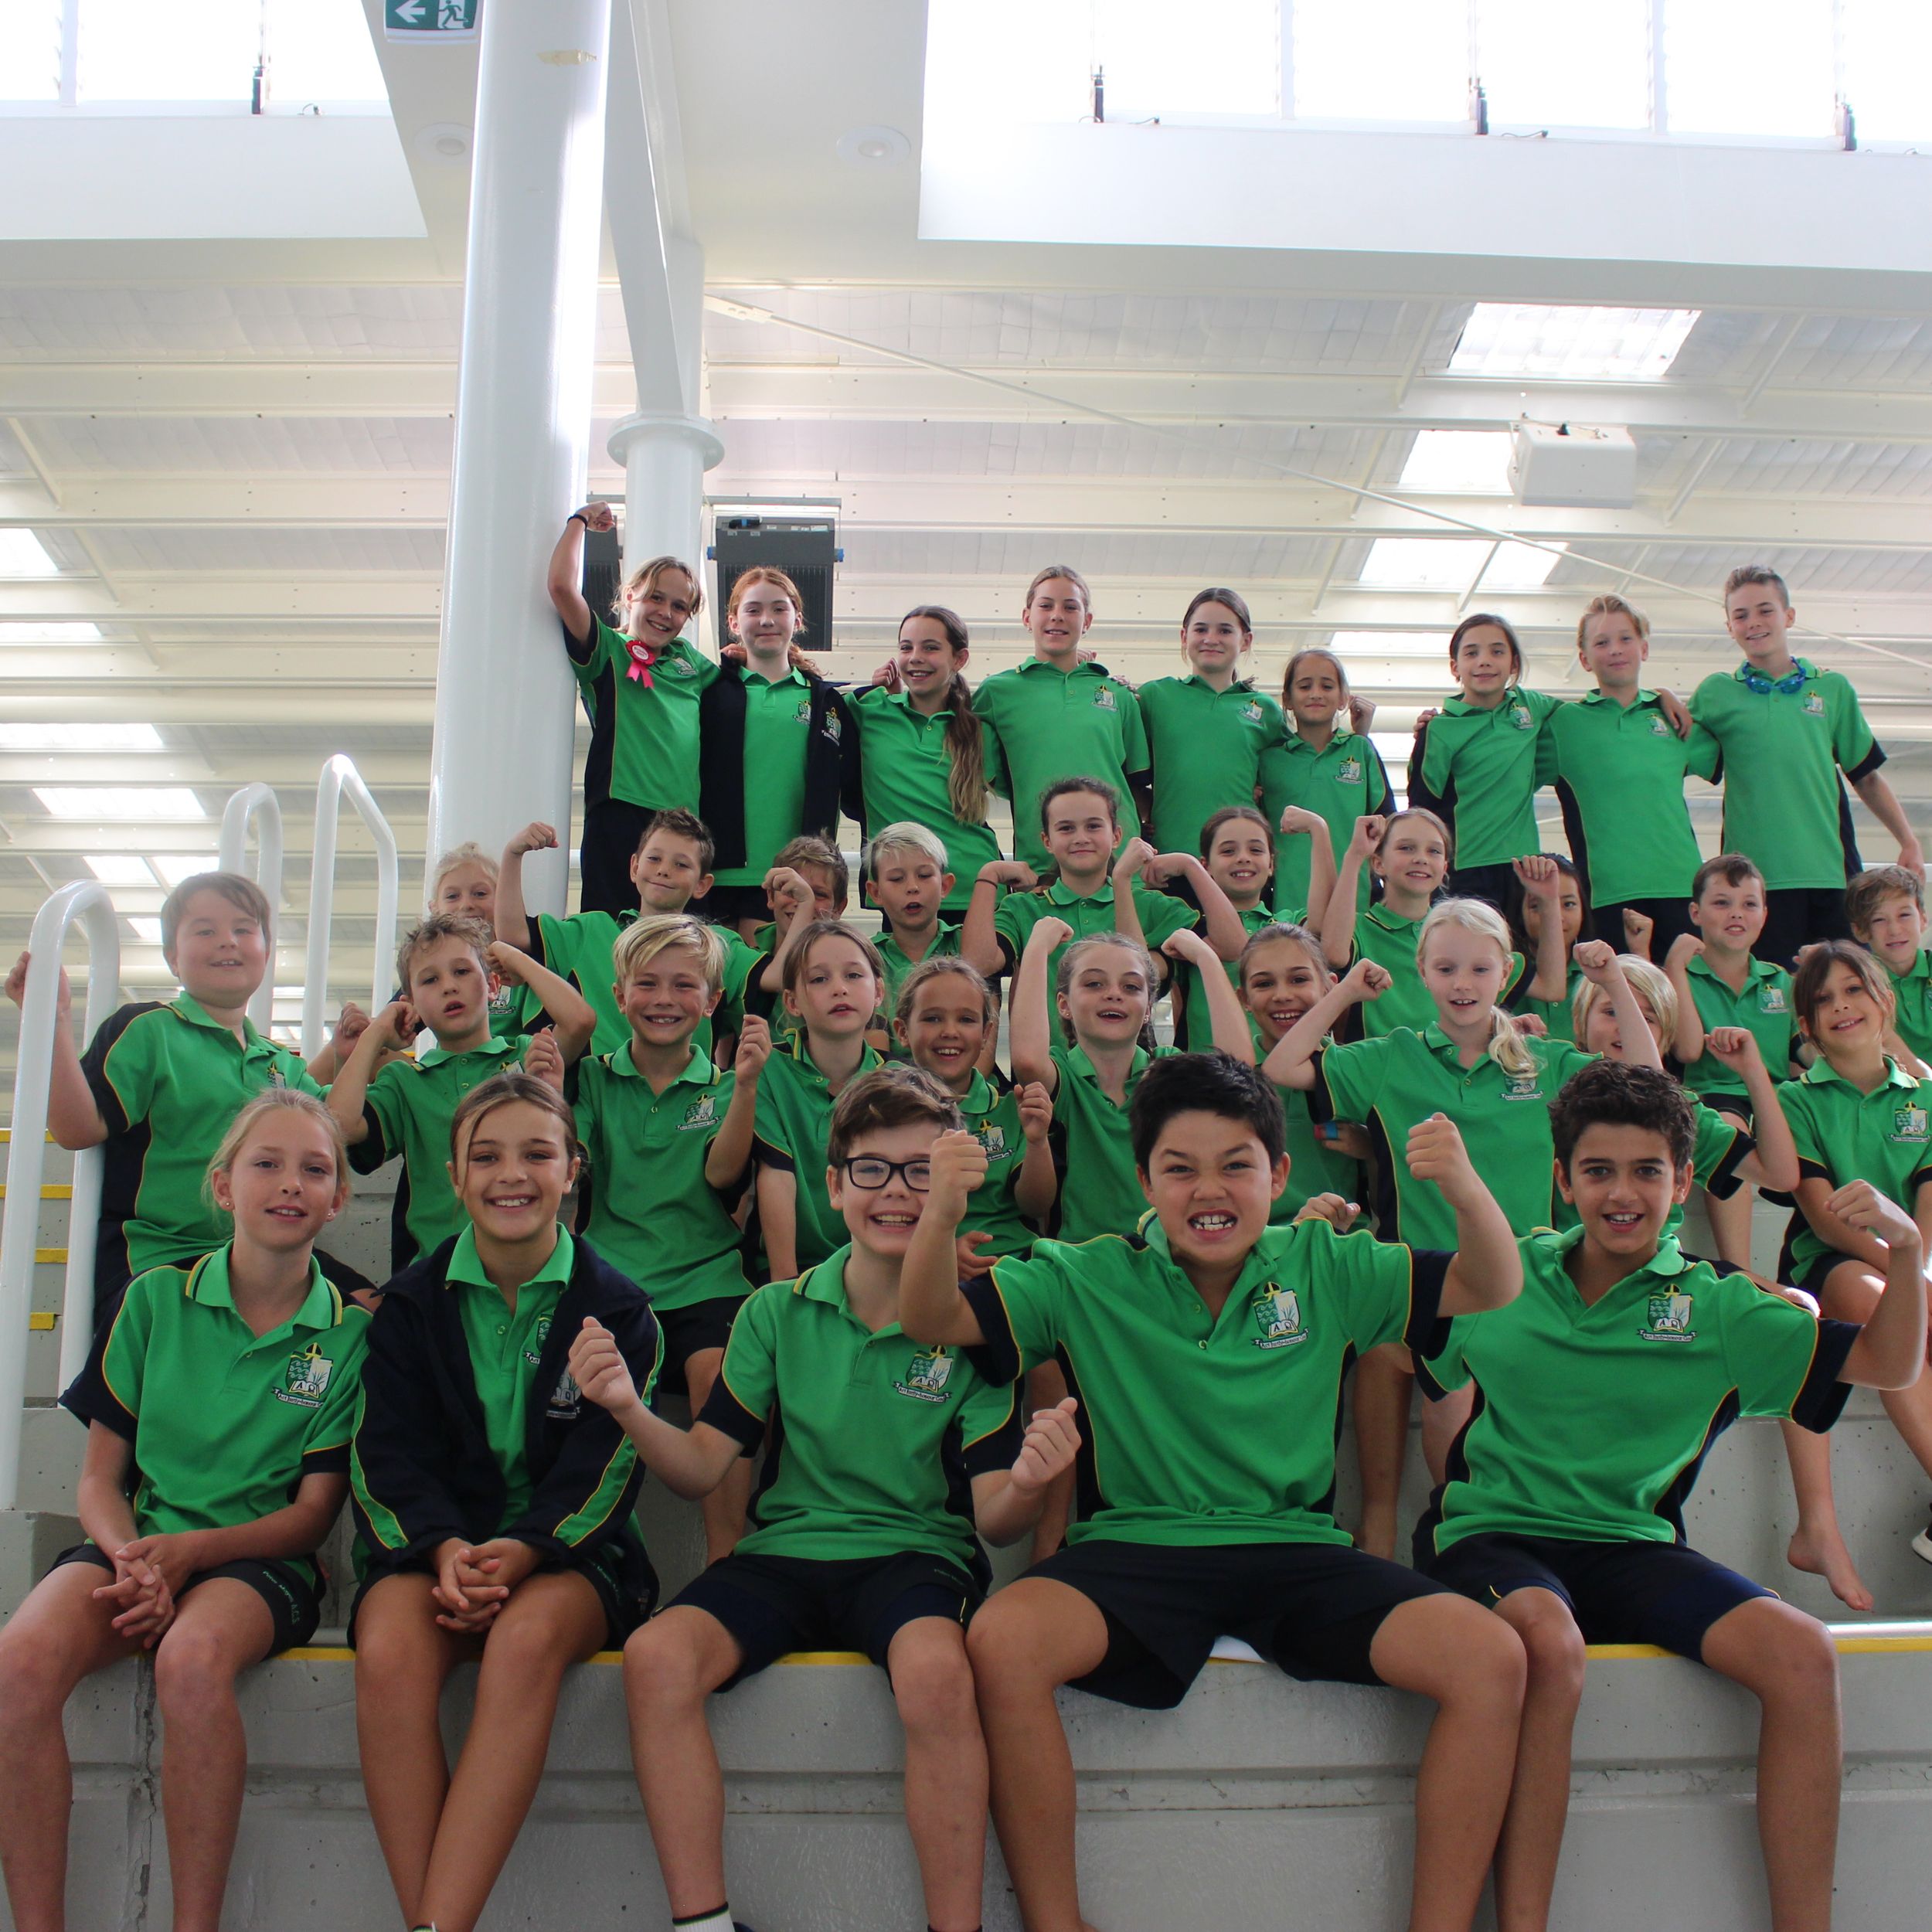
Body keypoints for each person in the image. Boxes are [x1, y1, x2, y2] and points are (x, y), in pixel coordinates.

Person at [898, 1052, 1530, 1932]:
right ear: (1142, 1180)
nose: (1209, 1190)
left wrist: (1462, 1186)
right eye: (1179, 1168)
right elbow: (929, 1317)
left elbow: (1492, 1282)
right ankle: (1056, 1922)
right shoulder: (1082, 1273)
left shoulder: (1325, 1262)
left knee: (1491, 1658)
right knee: (1002, 1642)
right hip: (1136, 1550)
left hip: (1296, 1552)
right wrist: (940, 1213)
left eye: (1236, 1164)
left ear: (1278, 1172)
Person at [1415, 1059, 1927, 1932]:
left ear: (1683, 1182)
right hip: (1491, 1536)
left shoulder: (1720, 1307)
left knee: (1804, 1654)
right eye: (1598, 1171)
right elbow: (1385, 1329)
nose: (1622, 1193)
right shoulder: (1504, 1275)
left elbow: (1888, 1363)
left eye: (1647, 1171)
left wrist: (1907, 1251)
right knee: (1547, 1640)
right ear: (1562, 1179)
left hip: (1631, 1546)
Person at [567, 1064, 1079, 1932]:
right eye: (872, 1169)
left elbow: (997, 1519)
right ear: (835, 1186)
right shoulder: (774, 1311)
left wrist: (1030, 1481)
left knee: (938, 1674)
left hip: (915, 1559)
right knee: (654, 1658)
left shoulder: (975, 1332)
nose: (897, 1191)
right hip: (784, 1557)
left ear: (955, 1188)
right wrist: (626, 1406)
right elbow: (700, 1468)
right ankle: (703, 1925)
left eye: (922, 1171)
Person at [0, 1089, 369, 1932]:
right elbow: (99, 1483)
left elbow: (313, 1517)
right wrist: (135, 1558)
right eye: (266, 1163)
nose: (290, 1182)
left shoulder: (349, 1335)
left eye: (314, 1169)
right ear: (223, 1185)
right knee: (18, 1661)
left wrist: (191, 1555)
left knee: (192, 1660)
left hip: (260, 1561)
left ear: (338, 1200)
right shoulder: (153, 1298)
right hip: (137, 1544)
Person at [350, 1072, 660, 1932]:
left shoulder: (620, 1308)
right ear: (453, 1176)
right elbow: (386, 1457)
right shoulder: (409, 1305)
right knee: (388, 1649)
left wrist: (524, 1550)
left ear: (573, 1168)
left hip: (570, 1556)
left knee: (523, 1642)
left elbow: (606, 1465)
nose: (511, 1174)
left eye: (536, 1153)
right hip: (436, 1551)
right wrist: (446, 1549)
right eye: (485, 1157)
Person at [1270, 902, 1657, 1556]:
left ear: (1506, 973)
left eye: (1480, 969)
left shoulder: (1544, 1061)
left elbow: (1644, 1081)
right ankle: (1433, 1539)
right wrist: (1346, 991)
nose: (1462, 983)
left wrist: (1614, 980)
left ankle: (1502, 1546)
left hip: (1526, 1289)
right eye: (1446, 968)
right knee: (1420, 1375)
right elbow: (1284, 1067)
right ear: (1421, 971)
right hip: (1426, 1287)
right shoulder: (1392, 1056)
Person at [1571, 956, 1870, 1611]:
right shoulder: (1547, 1084)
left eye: (1648, 1017)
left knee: (1797, 1315)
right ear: (1581, 1019)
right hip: (1568, 1280)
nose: (1626, 1025)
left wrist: (1755, 1073)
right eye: (1613, 1010)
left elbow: (1782, 1176)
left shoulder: (1677, 1111)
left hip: (1660, 1278)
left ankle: (1816, 1522)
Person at [4, 869, 366, 1332]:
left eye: (243, 929)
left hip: (263, 1258)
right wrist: (53, 1019)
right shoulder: (149, 1029)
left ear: (267, 951)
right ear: (172, 957)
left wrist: (357, 1051)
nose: (227, 941)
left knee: (378, 1313)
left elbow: (338, 1125)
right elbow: (77, 1128)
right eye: (205, 931)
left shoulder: (281, 1064)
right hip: (163, 1258)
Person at [573, 914, 771, 1565]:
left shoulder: (724, 1087)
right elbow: (570, 1163)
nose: (664, 999)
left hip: (705, 1277)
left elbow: (722, 1175)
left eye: (684, 985)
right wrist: (547, 1091)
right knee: (588, 1389)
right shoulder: (593, 1078)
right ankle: (589, 1552)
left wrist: (745, 1086)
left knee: (720, 1375)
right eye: (647, 983)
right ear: (619, 995)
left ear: (712, 1001)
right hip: (612, 1282)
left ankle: (725, 1557)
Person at [1774, 941, 1932, 1564]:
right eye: (1824, 1000)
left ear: (1885, 1000)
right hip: (1829, 1262)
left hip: (1912, 1261)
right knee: (1883, 1308)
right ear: (1807, 1026)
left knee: (1907, 1305)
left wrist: (1917, 1272)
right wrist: (1909, 1279)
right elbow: (1824, 1217)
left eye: (1853, 990)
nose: (1841, 1006)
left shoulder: (1925, 1098)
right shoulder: (1796, 1100)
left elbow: (1927, 1208)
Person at [328, 914, 594, 1273]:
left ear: (493, 985)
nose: (449, 987)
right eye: (430, 979)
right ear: (411, 1005)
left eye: (463, 971)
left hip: (524, 1270)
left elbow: (580, 1021)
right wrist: (375, 1034)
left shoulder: (528, 1054)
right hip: (434, 1275)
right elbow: (340, 1125)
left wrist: (512, 956)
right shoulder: (405, 1081)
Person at [1690, 565, 1923, 968]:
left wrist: (1908, 839)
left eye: (1765, 610)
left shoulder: (1832, 689)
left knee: (1844, 984)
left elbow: (1866, 777)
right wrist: (1660, 698)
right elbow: (1672, 752)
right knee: (1771, 990)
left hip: (1830, 873)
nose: (1754, 622)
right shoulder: (1715, 694)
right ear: (1729, 627)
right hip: (1754, 885)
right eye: (1741, 615)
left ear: (1789, 616)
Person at [546, 506, 713, 916]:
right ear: (629, 596)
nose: (666, 613)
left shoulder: (690, 661)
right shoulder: (610, 648)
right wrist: (579, 521)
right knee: (610, 926)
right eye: (656, 597)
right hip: (619, 809)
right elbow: (561, 587)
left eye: (679, 606)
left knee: (674, 937)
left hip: (681, 825)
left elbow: (742, 689)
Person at [496, 810, 762, 1063]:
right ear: (634, 867)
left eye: (681, 864)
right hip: (599, 1087)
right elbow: (514, 936)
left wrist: (789, 909)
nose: (664, 870)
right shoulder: (590, 930)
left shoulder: (717, 944)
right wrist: (513, 854)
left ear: (702, 884)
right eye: (654, 859)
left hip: (687, 1090)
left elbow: (776, 979)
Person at [1548, 594, 1719, 959]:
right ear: (1584, 658)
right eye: (1601, 642)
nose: (1615, 649)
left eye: (1625, 638)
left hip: (1684, 890)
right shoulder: (1564, 724)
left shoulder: (1673, 719)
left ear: (1644, 648)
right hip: (1609, 896)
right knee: (1623, 994)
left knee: (1685, 994)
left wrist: (1664, 696)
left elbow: (1736, 750)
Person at [1665, 854, 1803, 1272]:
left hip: (1778, 1098)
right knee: (1729, 1127)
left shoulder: (1782, 981)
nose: (1737, 914)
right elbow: (1689, 1050)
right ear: (1696, 913)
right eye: (1722, 903)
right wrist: (1674, 967)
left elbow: (1806, 1055)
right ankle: (1740, 1269)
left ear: (1765, 914)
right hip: (1716, 1096)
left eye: (1749, 904)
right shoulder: (1682, 977)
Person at [698, 566, 851, 937]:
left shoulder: (826, 701)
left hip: (790, 876)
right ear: (734, 622)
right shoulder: (708, 692)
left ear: (797, 619)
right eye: (753, 610)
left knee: (772, 972)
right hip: (712, 872)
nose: (766, 620)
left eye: (779, 609)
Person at [964, 777, 1225, 992]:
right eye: (1066, 828)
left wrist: (1190, 866)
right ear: (1047, 841)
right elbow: (977, 964)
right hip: (1044, 1044)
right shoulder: (1022, 908)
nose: (1081, 838)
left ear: (1116, 836)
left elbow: (1229, 946)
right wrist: (989, 874)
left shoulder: (1150, 904)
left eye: (1093, 826)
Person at [975, 566, 1151, 872]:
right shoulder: (996, 693)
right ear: (1027, 618)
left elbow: (1137, 782)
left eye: (1070, 607)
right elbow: (984, 776)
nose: (1057, 615)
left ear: (1087, 621)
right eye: (1046, 606)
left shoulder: (1118, 694)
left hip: (1121, 865)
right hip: (1042, 867)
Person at [894, 957, 1057, 1266]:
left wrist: (1038, 1142)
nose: (950, 1031)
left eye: (966, 1020)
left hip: (1012, 1263)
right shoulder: (886, 1112)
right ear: (903, 1031)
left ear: (986, 1033)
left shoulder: (1010, 1108)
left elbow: (1036, 1205)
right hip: (918, 1261)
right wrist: (940, 1251)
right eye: (933, 1018)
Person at [1314, 809, 1528, 1040]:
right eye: (1406, 848)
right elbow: (1334, 954)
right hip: (1380, 1061)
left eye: (1434, 851)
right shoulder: (1358, 928)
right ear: (1378, 863)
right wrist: (1355, 855)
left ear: (1444, 868)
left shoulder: (1461, 932)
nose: (1421, 859)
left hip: (1451, 1060)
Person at [753, 920, 888, 1277]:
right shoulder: (767, 1070)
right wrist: (785, 1289)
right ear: (792, 1002)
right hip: (793, 1268)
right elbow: (776, 1175)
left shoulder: (898, 1083)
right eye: (819, 979)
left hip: (878, 1265)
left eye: (854, 975)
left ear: (878, 992)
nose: (839, 989)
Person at [849, 604, 1001, 917]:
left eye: (930, 648)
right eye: (906, 648)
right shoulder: (868, 710)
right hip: (902, 893)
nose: (916, 657)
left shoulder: (980, 730)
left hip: (973, 889)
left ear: (959, 659)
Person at [1406, 614, 1565, 907]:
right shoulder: (1439, 730)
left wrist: (1653, 697)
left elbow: (1586, 719)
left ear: (1514, 663)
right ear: (1455, 667)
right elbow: (1421, 809)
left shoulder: (1532, 706)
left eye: (1497, 651)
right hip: (1464, 872)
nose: (1485, 661)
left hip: (1524, 869)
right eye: (1472, 653)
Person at [1138, 587, 1287, 859]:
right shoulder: (1155, 697)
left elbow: (1290, 779)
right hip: (1170, 856)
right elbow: (1119, 770)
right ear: (1184, 636)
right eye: (1201, 629)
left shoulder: (1266, 710)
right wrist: (1143, 809)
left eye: (1225, 631)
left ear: (1246, 640)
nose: (1211, 639)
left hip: (1239, 863)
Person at [1235, 920, 1366, 1223]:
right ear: (1244, 999)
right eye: (1264, 984)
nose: (1282, 995)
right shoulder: (1232, 1074)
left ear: (1330, 987)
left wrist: (1372, 1146)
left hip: (1338, 1237)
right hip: (1257, 1239)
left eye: (1298, 979)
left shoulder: (1355, 1068)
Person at [1168, 804, 1317, 1052]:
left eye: (1255, 850)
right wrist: (1188, 866)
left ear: (1271, 863)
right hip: (1210, 1069)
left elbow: (1327, 930)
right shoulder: (1190, 926)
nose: (1243, 858)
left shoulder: (1290, 924)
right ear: (1206, 866)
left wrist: (1318, 830)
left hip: (1285, 1068)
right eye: (1228, 851)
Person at [1261, 645, 1390, 920]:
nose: (1316, 693)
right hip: (1289, 908)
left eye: (1327, 686)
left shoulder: (1361, 749)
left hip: (1356, 904)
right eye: (1305, 686)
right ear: (1287, 699)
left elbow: (1386, 822)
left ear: (1344, 698)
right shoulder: (1269, 760)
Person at [863, 820, 964, 1026]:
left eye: (924, 875)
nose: (912, 887)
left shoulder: (966, 944)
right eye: (896, 879)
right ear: (875, 892)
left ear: (945, 886)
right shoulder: (866, 957)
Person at [1845, 862, 1932, 1073]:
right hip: (1898, 1087)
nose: (1894, 930)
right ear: (1860, 931)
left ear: (1923, 919)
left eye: (1904, 915)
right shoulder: (1858, 983)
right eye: (1879, 920)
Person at [1504, 854, 1591, 1042]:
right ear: (1519, 913)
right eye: (1537, 905)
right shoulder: (1506, 970)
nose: (1557, 917)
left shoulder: (1597, 975)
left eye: (1568, 904)